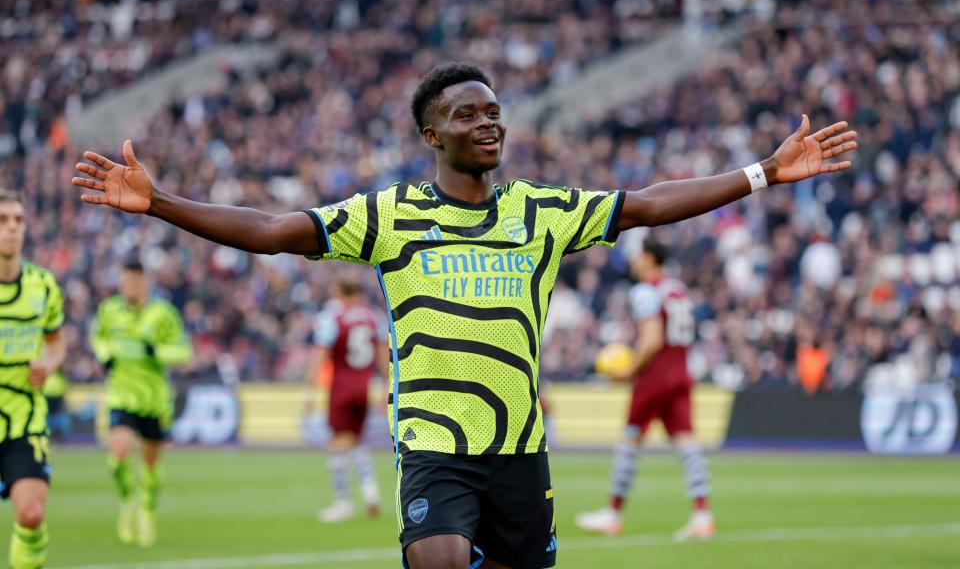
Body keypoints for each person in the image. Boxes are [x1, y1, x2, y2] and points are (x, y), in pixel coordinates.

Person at [73, 63, 857, 568]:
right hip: (434, 447)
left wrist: (763, 174)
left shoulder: (543, 211)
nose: (490, 123)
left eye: (495, 112)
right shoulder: (388, 215)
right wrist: (160, 204)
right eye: (469, 114)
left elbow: (649, 205)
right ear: (431, 135)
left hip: (520, 450)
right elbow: (276, 232)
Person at [575, 238, 714, 540]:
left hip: (654, 377)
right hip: (680, 372)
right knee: (688, 444)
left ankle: (612, 513)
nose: (634, 262)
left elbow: (651, 340)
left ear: (650, 258)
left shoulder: (646, 291)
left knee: (629, 442)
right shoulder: (677, 288)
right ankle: (702, 514)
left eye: (638, 256)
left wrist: (630, 371)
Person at [89, 259, 192, 547]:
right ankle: (127, 501)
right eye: (125, 282)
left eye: (135, 281)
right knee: (118, 455)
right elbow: (97, 338)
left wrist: (156, 351)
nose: (129, 287)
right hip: (121, 395)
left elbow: (183, 352)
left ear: (145, 282)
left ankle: (146, 512)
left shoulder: (163, 314)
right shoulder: (109, 310)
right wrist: (103, 353)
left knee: (150, 462)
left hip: (154, 399)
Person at [0, 189, 66, 569]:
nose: (12, 228)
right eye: (3, 220)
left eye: (18, 220)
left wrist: (50, 364)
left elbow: (57, 342)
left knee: (31, 514)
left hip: (25, 419)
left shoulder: (43, 286)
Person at [306, 274, 388, 523]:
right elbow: (383, 353)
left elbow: (320, 354)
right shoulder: (375, 316)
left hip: (341, 387)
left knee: (338, 443)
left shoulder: (332, 317)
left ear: (341, 293)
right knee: (357, 440)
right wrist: (386, 385)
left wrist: (309, 389)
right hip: (364, 386)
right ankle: (371, 491)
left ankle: (342, 502)